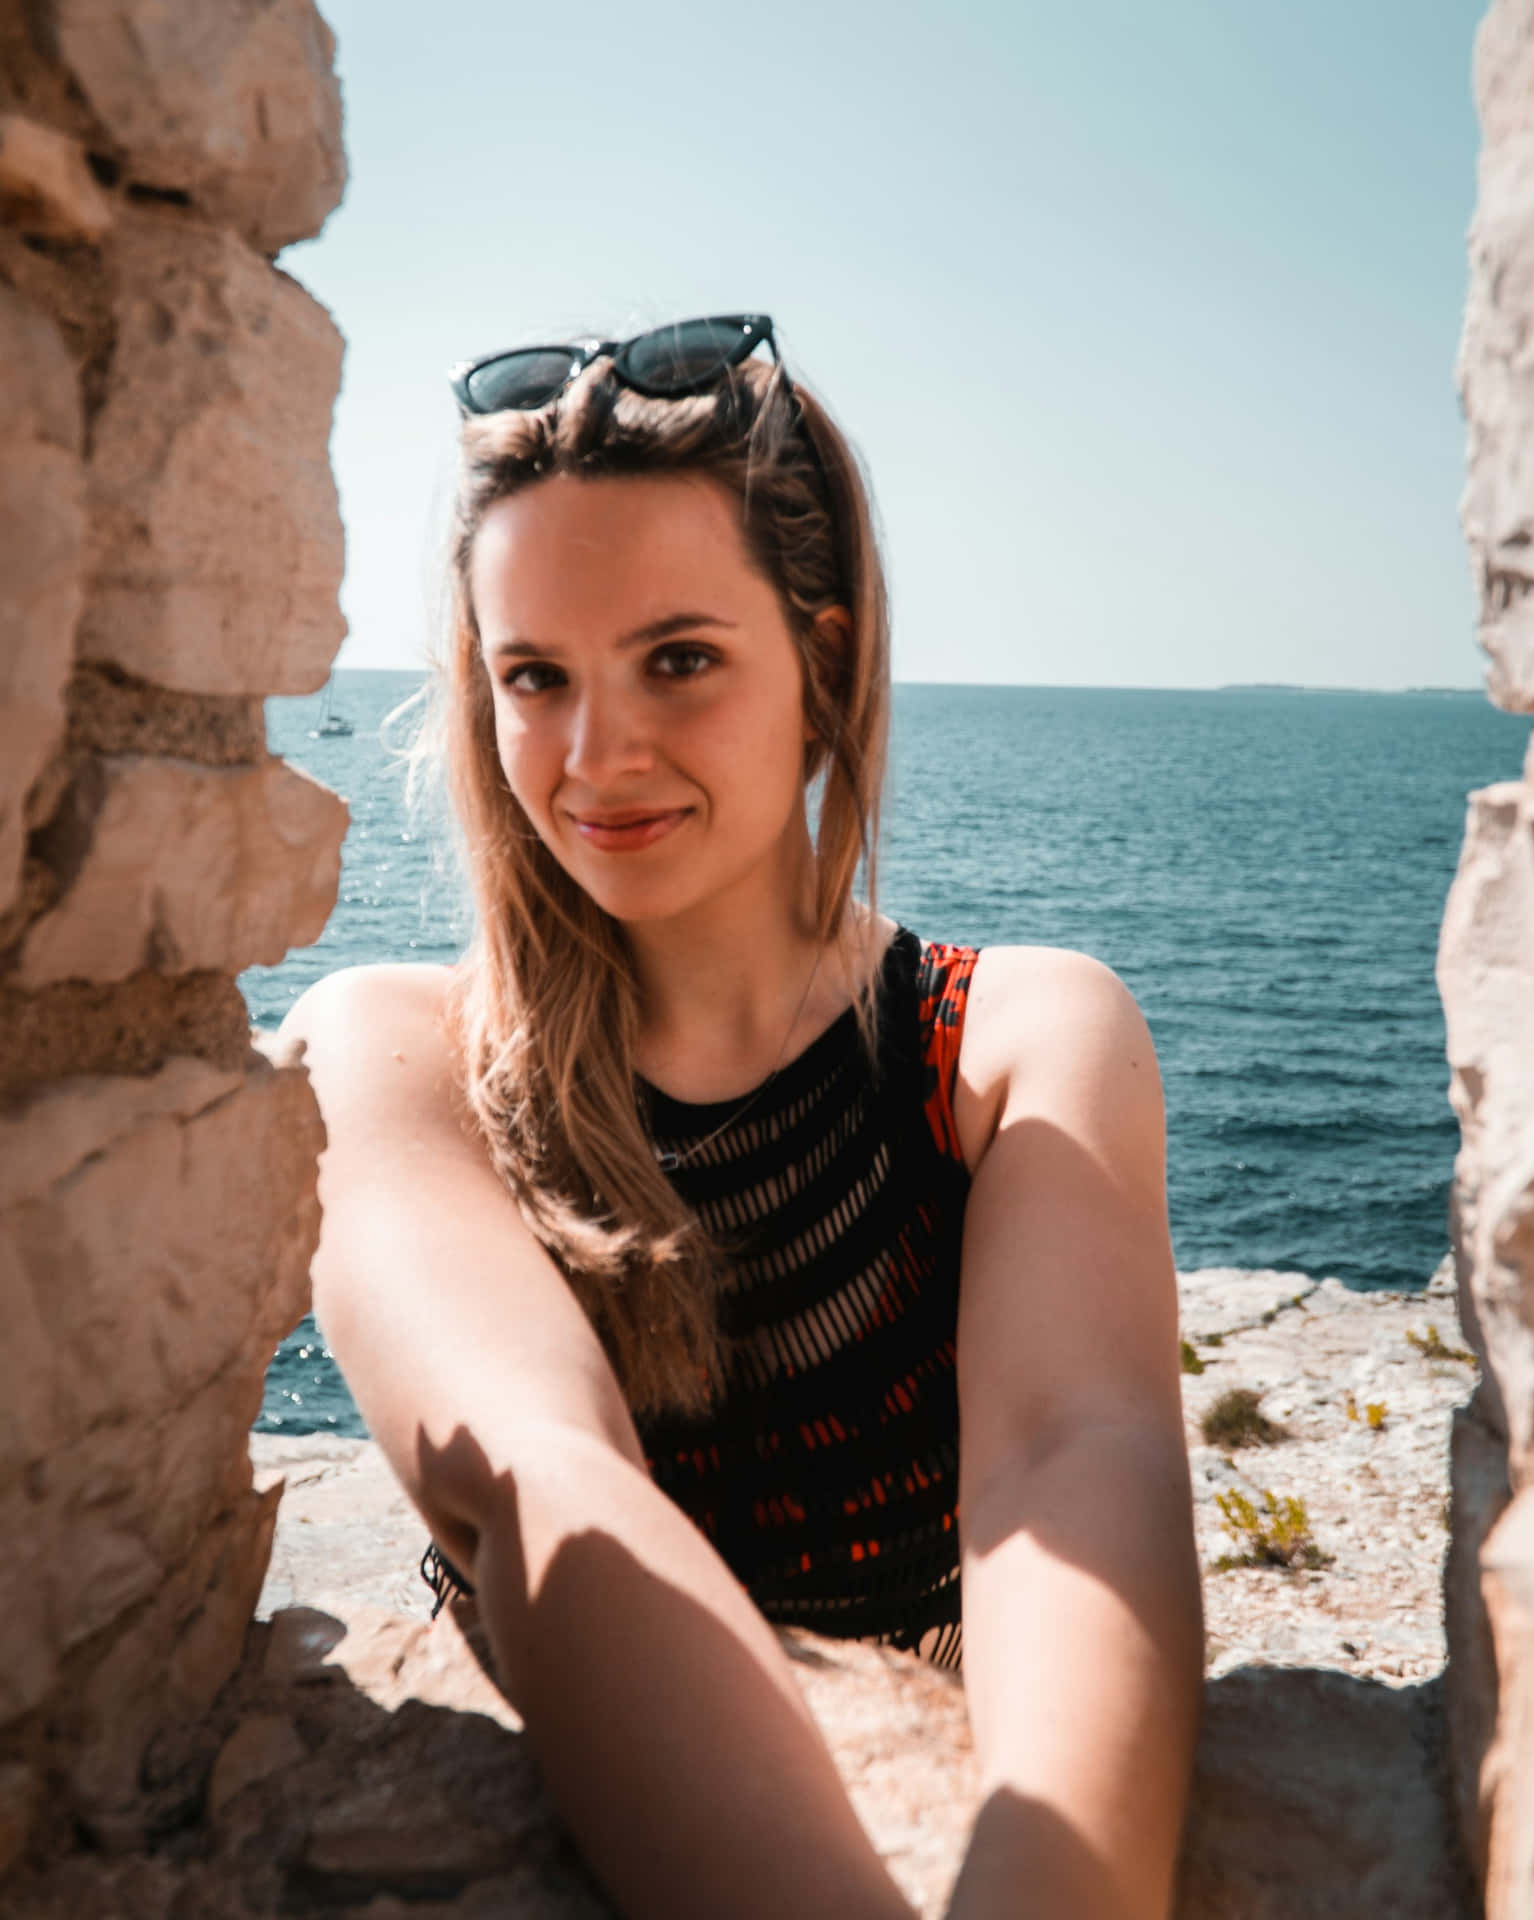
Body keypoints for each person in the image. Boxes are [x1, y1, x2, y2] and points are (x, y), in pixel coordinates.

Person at [279, 314, 1204, 1920]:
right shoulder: (390, 1056)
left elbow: (1073, 1456)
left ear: (825, 659)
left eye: (679, 659)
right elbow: (546, 1479)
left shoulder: (1011, 1041)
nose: (594, 754)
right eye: (535, 676)